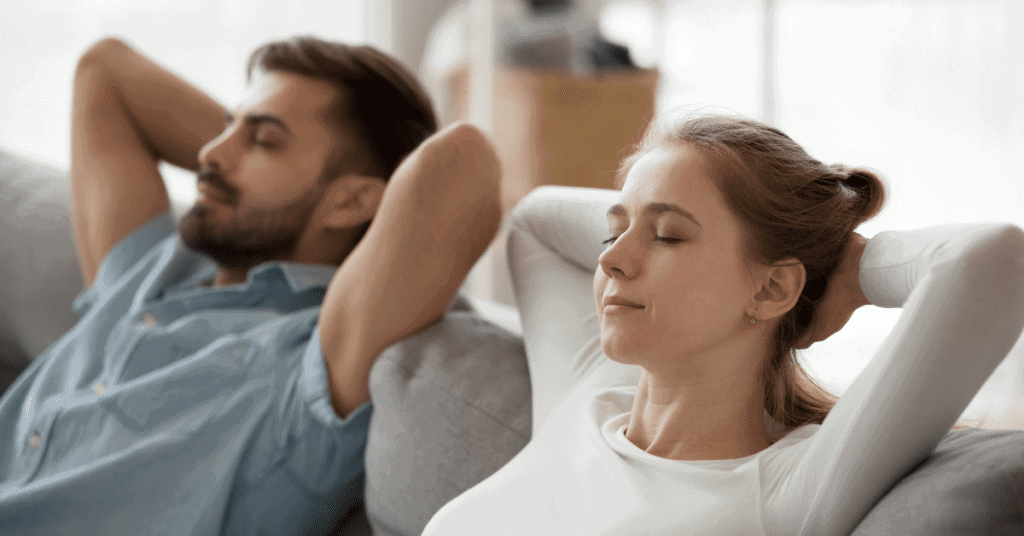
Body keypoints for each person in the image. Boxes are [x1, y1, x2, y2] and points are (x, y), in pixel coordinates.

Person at [422, 113, 1024, 535]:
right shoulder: (588, 394)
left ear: (770, 287)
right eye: (613, 229)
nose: (609, 259)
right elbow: (534, 222)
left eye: (668, 235)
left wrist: (848, 267)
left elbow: (992, 260)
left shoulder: (783, 492)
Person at [0, 36, 501, 534]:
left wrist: (304, 179)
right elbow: (104, 69)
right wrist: (266, 157)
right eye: (226, 127)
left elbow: (462, 162)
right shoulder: (157, 270)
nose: (208, 154)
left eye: (262, 140)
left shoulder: (308, 368)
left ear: (352, 203)